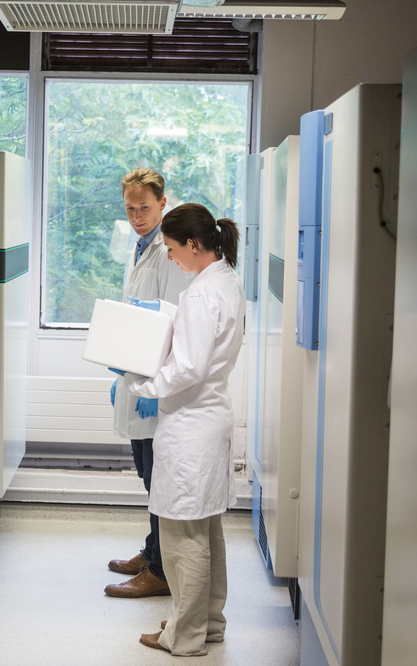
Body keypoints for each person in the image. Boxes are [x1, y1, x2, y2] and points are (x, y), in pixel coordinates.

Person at [115, 203, 245, 655]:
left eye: (171, 249)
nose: (169, 257)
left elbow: (187, 366)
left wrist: (142, 382)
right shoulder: (225, 281)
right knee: (205, 532)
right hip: (210, 420)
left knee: (182, 540)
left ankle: (184, 636)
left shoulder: (199, 294)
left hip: (190, 426)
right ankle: (208, 624)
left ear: (193, 245)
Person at [104, 168, 193, 599]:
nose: (137, 215)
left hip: (156, 380)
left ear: (162, 203)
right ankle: (152, 549)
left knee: (156, 476)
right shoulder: (139, 245)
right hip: (137, 374)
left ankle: (158, 571)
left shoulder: (168, 250)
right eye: (130, 208)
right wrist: (122, 371)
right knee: (145, 472)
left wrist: (151, 385)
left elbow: (170, 321)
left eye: (144, 207)